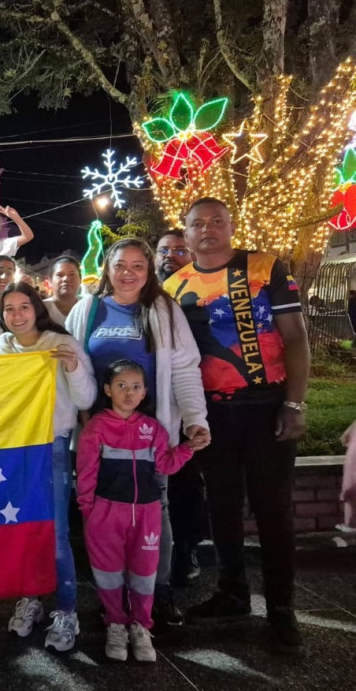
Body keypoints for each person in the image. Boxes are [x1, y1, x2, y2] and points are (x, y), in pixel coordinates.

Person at [164, 197, 310, 651]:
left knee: (273, 511)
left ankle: (283, 611)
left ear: (231, 225)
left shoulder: (265, 267)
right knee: (222, 508)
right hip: (212, 414)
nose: (207, 229)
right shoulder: (173, 286)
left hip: (266, 405)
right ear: (185, 234)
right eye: (197, 224)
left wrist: (295, 404)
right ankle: (233, 593)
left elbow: (296, 338)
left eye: (217, 221)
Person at [65, 237, 210, 627]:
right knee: (103, 519)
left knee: (154, 513)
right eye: (120, 265)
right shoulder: (87, 309)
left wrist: (196, 418)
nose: (128, 273)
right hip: (100, 437)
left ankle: (156, 590)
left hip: (150, 438)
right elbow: (70, 369)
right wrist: (77, 417)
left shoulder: (163, 310)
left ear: (148, 272)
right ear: (107, 269)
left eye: (138, 266)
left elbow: (183, 369)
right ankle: (111, 594)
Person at [0, 283, 96, 652]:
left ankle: (67, 611)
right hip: (14, 451)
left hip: (52, 448)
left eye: (24, 307)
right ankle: (31, 598)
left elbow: (86, 397)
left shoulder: (59, 343)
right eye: (9, 309)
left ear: (37, 308)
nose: (17, 316)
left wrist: (72, 366)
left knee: (56, 532)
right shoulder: (1, 348)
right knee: (22, 528)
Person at [77, 359, 200, 663]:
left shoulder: (153, 429)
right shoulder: (96, 428)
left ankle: (141, 626)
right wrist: (89, 513)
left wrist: (188, 448)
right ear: (108, 390)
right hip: (105, 515)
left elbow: (164, 466)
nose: (129, 393)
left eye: (135, 387)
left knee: (145, 574)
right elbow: (86, 474)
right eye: (121, 386)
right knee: (108, 575)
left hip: (147, 515)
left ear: (145, 392)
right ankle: (116, 624)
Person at [154, 229, 205, 586]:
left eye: (178, 249)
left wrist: (193, 415)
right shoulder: (148, 297)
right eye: (163, 250)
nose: (170, 255)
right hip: (157, 408)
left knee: (186, 483)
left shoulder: (202, 290)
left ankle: (186, 548)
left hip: (197, 398)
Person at [44, 256, 82, 327]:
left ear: (80, 279)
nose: (66, 279)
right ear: (50, 281)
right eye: (60, 275)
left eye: (72, 274)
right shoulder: (41, 309)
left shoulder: (89, 306)